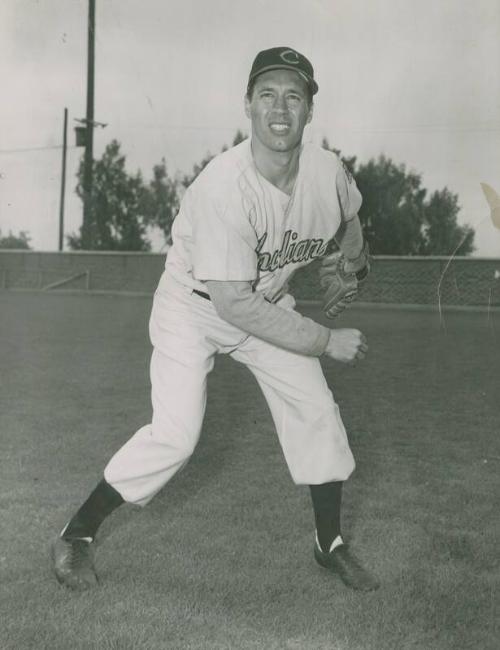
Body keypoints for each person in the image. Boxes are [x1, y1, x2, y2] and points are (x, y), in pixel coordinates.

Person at [51, 46, 379, 592]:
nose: (280, 108)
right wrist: (325, 340)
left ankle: (330, 545)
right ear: (247, 105)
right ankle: (76, 534)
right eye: (267, 95)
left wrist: (353, 263)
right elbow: (234, 306)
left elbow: (350, 216)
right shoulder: (224, 187)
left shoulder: (329, 171)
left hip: (266, 303)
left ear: (310, 111)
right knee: (176, 436)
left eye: (294, 96)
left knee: (317, 411)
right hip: (195, 308)